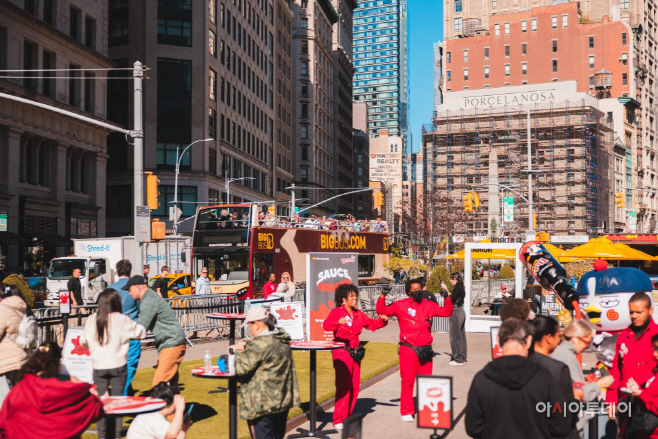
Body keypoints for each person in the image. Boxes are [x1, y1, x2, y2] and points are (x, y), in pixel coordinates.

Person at [466, 318, 571, 439]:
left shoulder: (481, 379)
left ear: (498, 340)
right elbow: (562, 426)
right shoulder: (544, 377)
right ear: (529, 341)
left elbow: (473, 428)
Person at [376, 283, 454, 421]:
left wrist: (447, 297)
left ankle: (426, 409)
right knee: (407, 380)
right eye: (414, 289)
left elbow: (447, 312)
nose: (418, 291)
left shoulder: (429, 305)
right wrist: (383, 295)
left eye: (419, 289)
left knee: (426, 381)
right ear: (408, 292)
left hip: (425, 347)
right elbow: (381, 310)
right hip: (408, 348)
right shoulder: (400, 305)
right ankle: (406, 411)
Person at [0, 342, 104, 439]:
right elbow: (93, 409)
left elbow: (5, 418)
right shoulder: (71, 387)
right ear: (58, 361)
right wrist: (94, 397)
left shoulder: (22, 388)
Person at [81, 288, 146, 438]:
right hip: (118, 366)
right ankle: (116, 435)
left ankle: (102, 435)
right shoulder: (122, 319)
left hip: (98, 366)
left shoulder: (93, 319)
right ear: (117, 302)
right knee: (118, 403)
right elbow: (140, 332)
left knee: (100, 404)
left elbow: (83, 341)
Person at [323, 284, 388, 429]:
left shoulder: (358, 313)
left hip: (356, 353)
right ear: (344, 299)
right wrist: (337, 322)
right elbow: (326, 326)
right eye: (351, 296)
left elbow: (371, 324)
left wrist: (382, 321)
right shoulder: (336, 312)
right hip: (341, 352)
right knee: (343, 387)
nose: (355, 298)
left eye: (355, 296)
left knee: (354, 387)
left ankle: (347, 416)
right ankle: (338, 419)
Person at [231, 307, 300, 439]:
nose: (249, 330)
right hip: (282, 400)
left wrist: (238, 351)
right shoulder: (281, 339)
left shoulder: (260, 344)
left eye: (249, 326)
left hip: (263, 403)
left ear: (256, 325)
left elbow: (240, 369)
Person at [606, 292, 658, 437]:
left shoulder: (656, 335)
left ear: (650, 311)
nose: (634, 316)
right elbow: (615, 368)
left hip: (649, 406)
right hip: (626, 403)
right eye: (631, 312)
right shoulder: (623, 336)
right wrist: (611, 399)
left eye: (639, 312)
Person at [551, 320, 615, 434]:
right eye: (586, 342)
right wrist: (599, 384)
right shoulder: (566, 357)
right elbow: (576, 392)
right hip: (567, 424)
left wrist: (587, 382)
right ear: (575, 338)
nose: (587, 347)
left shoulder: (561, 352)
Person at [124, 276, 186, 386]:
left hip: (171, 344)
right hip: (171, 343)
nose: (128, 293)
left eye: (129, 289)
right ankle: (176, 402)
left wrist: (119, 335)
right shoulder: (149, 297)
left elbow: (140, 329)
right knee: (170, 387)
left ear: (138, 287)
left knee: (158, 385)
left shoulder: (149, 300)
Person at [529, 316, 578, 439]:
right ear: (549, 338)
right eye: (558, 336)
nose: (559, 340)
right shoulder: (558, 368)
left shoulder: (521, 363)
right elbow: (567, 410)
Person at [107, 259, 141, 395]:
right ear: (130, 271)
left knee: (119, 363)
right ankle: (122, 393)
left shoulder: (110, 289)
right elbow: (140, 308)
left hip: (114, 331)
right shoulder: (134, 288)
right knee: (130, 364)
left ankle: (126, 392)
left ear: (117, 271)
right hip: (131, 330)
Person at [127, 382, 192, 439]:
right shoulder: (152, 416)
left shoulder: (153, 412)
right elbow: (172, 434)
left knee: (181, 434)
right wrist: (179, 410)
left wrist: (184, 426)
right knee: (181, 435)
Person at [0, 284, 30, 408]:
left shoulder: (3, 311)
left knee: (3, 398)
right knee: (16, 395)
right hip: (20, 358)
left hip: (4, 361)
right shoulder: (20, 311)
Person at [626, 333, 658, 439]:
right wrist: (637, 389)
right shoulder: (655, 368)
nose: (654, 354)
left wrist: (641, 394)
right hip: (645, 429)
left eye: (657, 349)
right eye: (654, 349)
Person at [443, 272, 467, 366]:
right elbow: (453, 296)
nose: (450, 280)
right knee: (461, 336)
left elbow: (450, 299)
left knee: (455, 336)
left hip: (456, 311)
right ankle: (463, 357)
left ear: (455, 279)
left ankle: (458, 359)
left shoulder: (457, 287)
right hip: (461, 310)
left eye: (451, 279)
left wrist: (445, 289)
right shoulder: (461, 287)